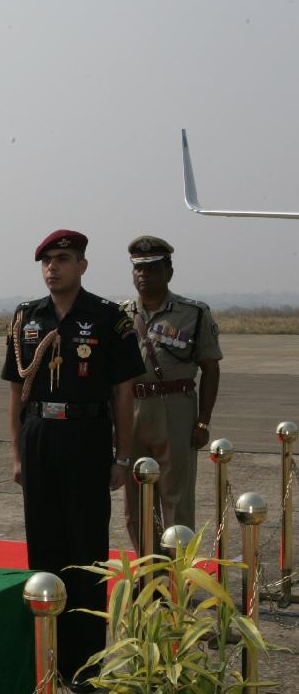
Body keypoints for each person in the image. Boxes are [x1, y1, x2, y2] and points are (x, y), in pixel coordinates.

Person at [1, 229, 144, 692]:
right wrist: (17, 453)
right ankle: (46, 659)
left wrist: (122, 456)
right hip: (39, 436)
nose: (53, 268)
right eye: (47, 261)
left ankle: (84, 665)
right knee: (43, 548)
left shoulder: (108, 317)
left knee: (85, 551)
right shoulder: (27, 317)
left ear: (82, 265)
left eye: (62, 259)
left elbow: (123, 393)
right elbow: (16, 393)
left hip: (86, 437)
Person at [120, 236, 222, 552]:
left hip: (175, 409)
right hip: (131, 409)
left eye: (151, 268)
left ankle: (177, 571)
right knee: (135, 499)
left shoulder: (193, 313)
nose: (143, 275)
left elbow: (211, 368)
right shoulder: (120, 315)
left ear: (169, 272)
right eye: (138, 269)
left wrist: (203, 422)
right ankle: (147, 569)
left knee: (175, 497)